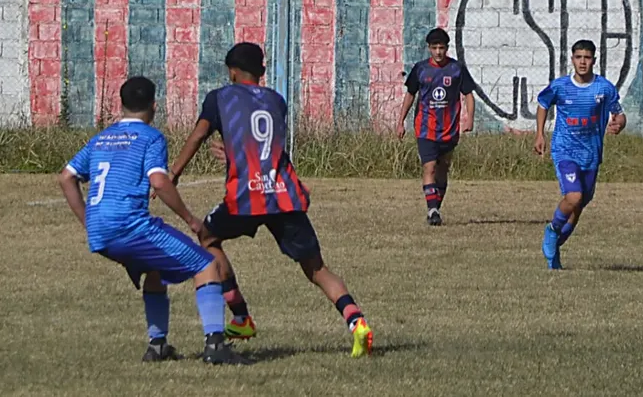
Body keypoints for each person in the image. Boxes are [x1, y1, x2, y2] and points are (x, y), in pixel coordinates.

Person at [168, 42, 373, 358]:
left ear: (232, 72)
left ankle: (241, 317)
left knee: (207, 239)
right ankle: (356, 322)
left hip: (247, 194)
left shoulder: (219, 98)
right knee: (317, 269)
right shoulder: (277, 101)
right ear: (261, 71)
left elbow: (197, 136)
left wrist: (173, 175)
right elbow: (268, 146)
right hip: (282, 195)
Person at [57, 76, 251, 365]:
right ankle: (215, 346)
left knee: (155, 270)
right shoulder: (150, 137)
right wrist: (190, 219)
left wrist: (90, 221)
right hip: (130, 226)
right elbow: (159, 182)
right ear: (154, 106)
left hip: (100, 233)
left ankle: (157, 345)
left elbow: (66, 177)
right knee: (207, 264)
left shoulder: (101, 138)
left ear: (120, 105)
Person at [534, 40, 627, 270]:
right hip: (565, 151)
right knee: (573, 197)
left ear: (594, 60)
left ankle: (554, 250)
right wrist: (539, 134)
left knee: (579, 206)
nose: (582, 62)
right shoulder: (561, 86)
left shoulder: (603, 88)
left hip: (591, 155)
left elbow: (619, 113)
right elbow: (543, 103)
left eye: (587, 57)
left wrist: (619, 124)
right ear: (572, 59)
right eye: (578, 57)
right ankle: (552, 230)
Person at [396, 27, 476, 226]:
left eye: (442, 48)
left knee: (443, 169)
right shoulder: (421, 69)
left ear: (447, 48)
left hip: (449, 129)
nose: (438, 52)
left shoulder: (456, 69)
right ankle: (432, 210)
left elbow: (468, 95)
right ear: (429, 48)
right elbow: (410, 95)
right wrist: (401, 122)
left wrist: (470, 119)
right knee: (429, 167)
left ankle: (436, 207)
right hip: (426, 129)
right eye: (434, 48)